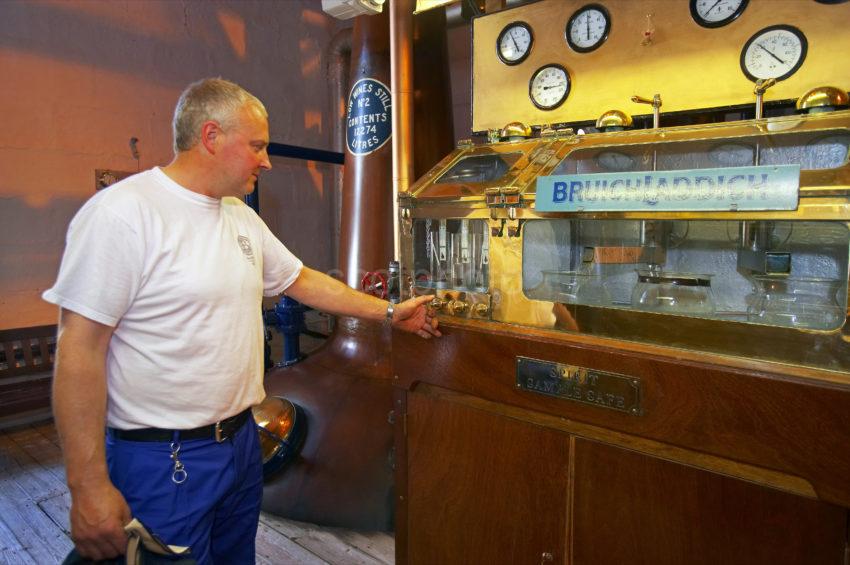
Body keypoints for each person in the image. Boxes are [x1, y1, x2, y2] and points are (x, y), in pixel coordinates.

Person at [43, 77, 440, 564]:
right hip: (163, 458)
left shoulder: (239, 217)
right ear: (211, 137)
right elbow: (79, 349)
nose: (266, 160)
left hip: (240, 444)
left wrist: (387, 313)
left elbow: (304, 280)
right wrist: (86, 486)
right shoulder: (123, 214)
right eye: (257, 146)